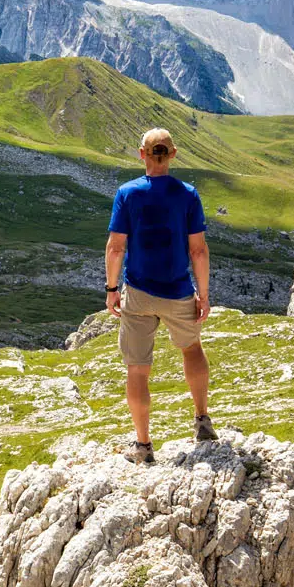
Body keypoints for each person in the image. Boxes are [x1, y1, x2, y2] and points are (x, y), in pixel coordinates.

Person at [105, 128, 216, 464]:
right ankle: (202, 421)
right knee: (192, 348)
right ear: (173, 154)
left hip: (138, 292)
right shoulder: (188, 194)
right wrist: (204, 294)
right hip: (179, 291)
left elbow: (115, 247)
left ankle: (143, 446)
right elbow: (198, 251)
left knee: (137, 369)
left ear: (142, 154)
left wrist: (112, 290)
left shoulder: (128, 193)